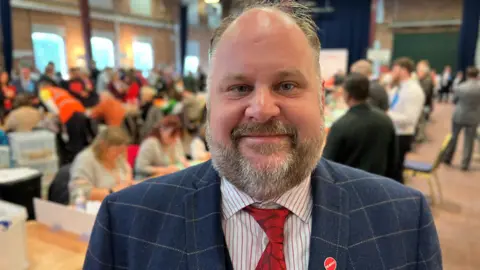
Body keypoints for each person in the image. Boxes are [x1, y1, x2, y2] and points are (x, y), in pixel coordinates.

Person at [85, 2, 442, 269]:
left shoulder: (403, 222)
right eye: (239, 87)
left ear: (321, 100)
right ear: (209, 105)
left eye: (286, 85)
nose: (262, 108)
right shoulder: (126, 223)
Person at [323, 73, 397, 178]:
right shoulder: (386, 120)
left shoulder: (341, 125)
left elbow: (327, 165)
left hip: (349, 186)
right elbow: (393, 159)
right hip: (381, 183)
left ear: (347, 95)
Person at [69, 127, 132, 203]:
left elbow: (127, 173)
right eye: (116, 150)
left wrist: (128, 184)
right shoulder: (85, 159)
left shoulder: (118, 157)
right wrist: (112, 192)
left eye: (122, 150)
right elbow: (79, 191)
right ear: (103, 146)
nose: (119, 154)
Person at [388, 57, 425, 184]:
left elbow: (410, 119)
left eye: (395, 69)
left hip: (402, 135)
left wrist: (386, 115)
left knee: (396, 171)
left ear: (404, 70)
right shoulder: (399, 87)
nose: (392, 72)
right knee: (391, 168)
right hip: (394, 132)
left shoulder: (414, 90)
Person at [38, 81, 93, 164]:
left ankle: (75, 165)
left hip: (68, 113)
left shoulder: (44, 91)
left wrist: (57, 117)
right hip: (80, 110)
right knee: (82, 141)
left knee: (74, 144)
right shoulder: (60, 90)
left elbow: (51, 106)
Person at [443, 66, 480, 171]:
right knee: (469, 141)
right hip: (473, 117)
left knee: (454, 137)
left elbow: (455, 100)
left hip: (459, 115)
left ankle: (447, 158)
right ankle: (465, 163)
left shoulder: (461, 87)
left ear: (467, 75)